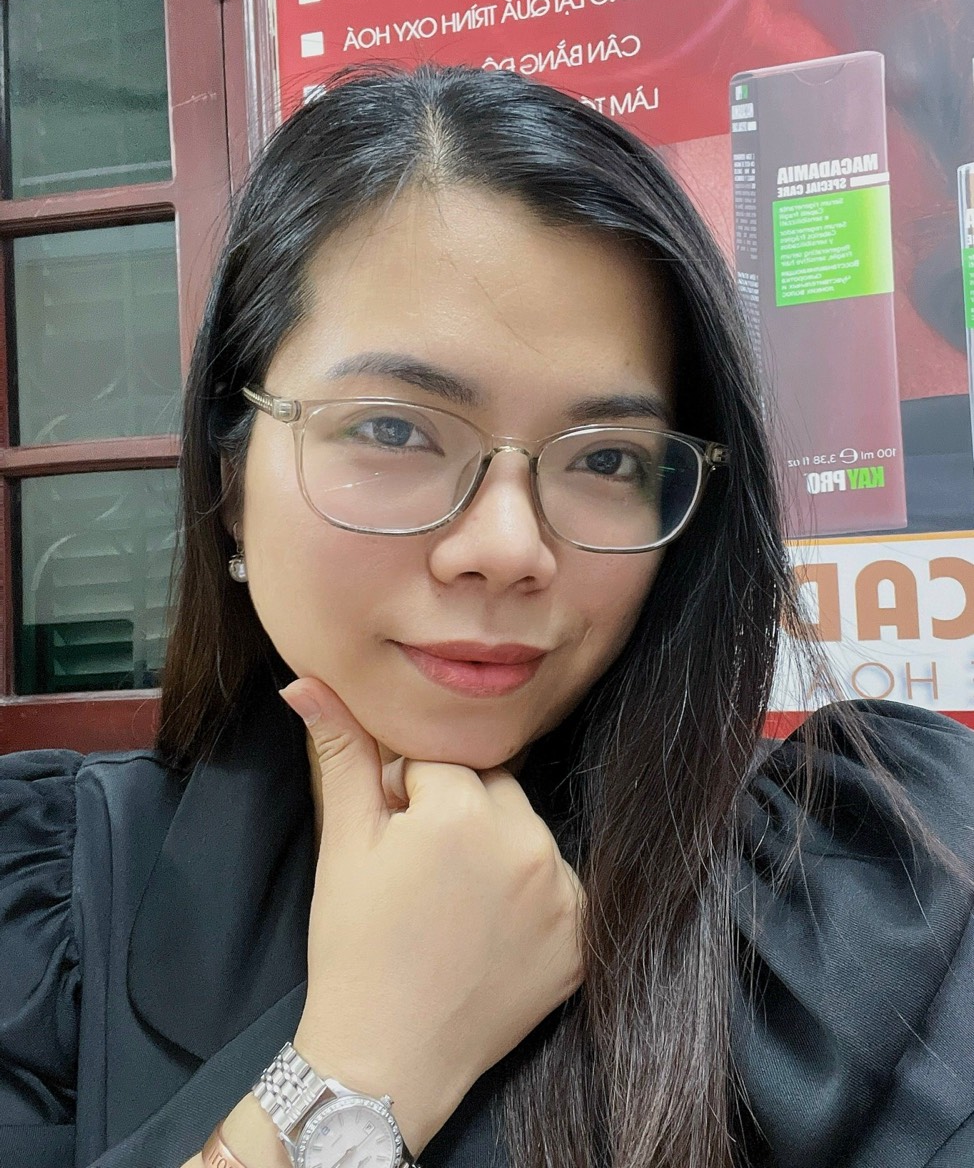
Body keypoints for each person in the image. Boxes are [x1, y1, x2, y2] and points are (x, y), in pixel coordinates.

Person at [2, 62, 973, 1168]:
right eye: (394, 431)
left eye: (606, 458)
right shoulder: (47, 910)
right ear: (230, 476)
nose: (509, 549)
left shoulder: (870, 905)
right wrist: (359, 1072)